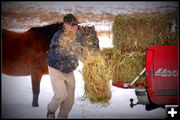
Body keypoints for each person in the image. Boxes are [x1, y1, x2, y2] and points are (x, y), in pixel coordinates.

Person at [46, 14, 81, 118]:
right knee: (61, 95)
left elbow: (83, 50)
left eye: (76, 24)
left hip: (69, 70)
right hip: (56, 69)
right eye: (73, 25)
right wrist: (69, 51)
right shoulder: (58, 36)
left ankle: (62, 116)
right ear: (65, 25)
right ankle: (50, 111)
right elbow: (56, 52)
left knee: (70, 100)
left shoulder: (78, 36)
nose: (76, 27)